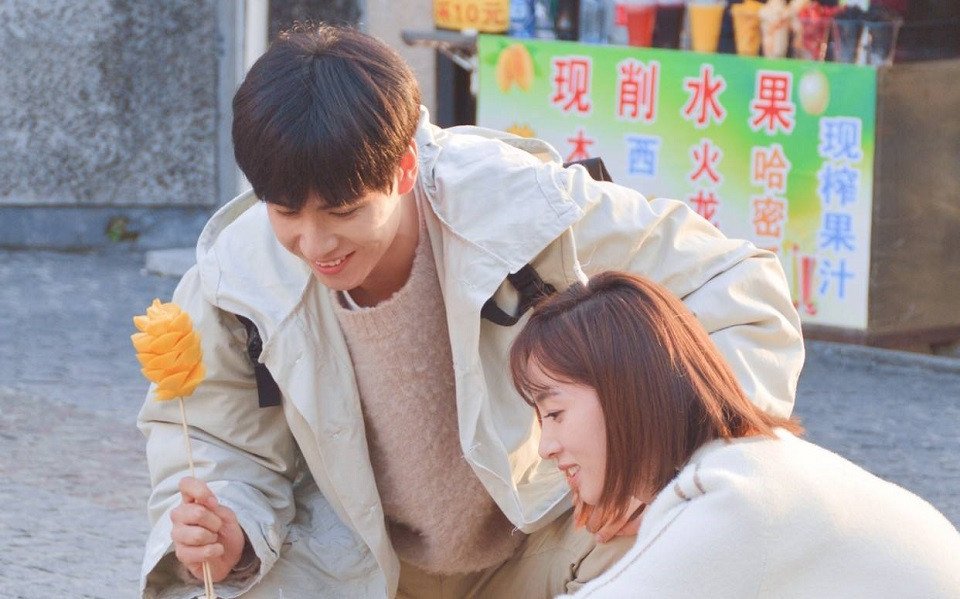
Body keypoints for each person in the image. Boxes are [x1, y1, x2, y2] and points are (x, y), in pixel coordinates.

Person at [137, 23, 805, 599]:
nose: (315, 245)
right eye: (286, 213)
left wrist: (664, 464)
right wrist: (230, 532)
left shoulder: (522, 206)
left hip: (555, 532)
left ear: (403, 169)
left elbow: (737, 287)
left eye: (343, 212)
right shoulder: (234, 278)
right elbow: (214, 446)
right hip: (357, 564)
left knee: (683, 533)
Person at [509, 271, 960, 599]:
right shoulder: (753, 463)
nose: (546, 447)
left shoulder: (733, 497)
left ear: (623, 393)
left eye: (555, 413)